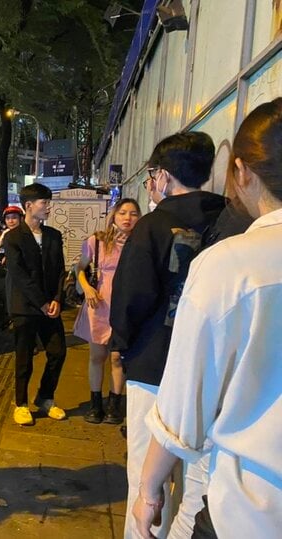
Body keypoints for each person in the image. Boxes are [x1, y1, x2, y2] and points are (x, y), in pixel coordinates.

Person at [132, 98, 282, 539]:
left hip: (250, 507)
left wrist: (149, 489)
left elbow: (184, 406)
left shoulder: (231, 265)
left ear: (241, 171)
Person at [109, 131, 226, 538]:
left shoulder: (153, 225)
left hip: (153, 364)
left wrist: (120, 347)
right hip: (211, 372)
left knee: (146, 476)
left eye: (151, 175)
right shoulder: (230, 221)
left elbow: (130, 298)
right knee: (197, 480)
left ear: (163, 176)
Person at [3, 184, 67, 426]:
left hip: (51, 305)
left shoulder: (53, 236)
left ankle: (45, 397)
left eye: (49, 202)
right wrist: (41, 303)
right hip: (25, 307)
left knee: (58, 352)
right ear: (29, 206)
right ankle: (20, 404)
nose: (48, 207)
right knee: (24, 357)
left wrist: (58, 299)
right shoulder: (13, 237)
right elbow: (19, 275)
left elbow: (60, 270)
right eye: (44, 202)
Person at [73, 199, 141, 424]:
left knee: (117, 358)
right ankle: (95, 404)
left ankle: (114, 404)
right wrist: (87, 287)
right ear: (114, 216)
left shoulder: (140, 243)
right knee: (97, 356)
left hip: (126, 308)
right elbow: (80, 268)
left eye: (133, 214)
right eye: (123, 213)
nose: (127, 218)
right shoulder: (97, 241)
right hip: (99, 305)